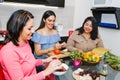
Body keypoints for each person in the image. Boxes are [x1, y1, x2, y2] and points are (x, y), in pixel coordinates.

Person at [0, 9, 62, 80]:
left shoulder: (25, 42)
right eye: (29, 28)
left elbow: (29, 62)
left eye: (32, 27)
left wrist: (45, 61)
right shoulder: (9, 52)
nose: (33, 31)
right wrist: (45, 72)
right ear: (18, 29)